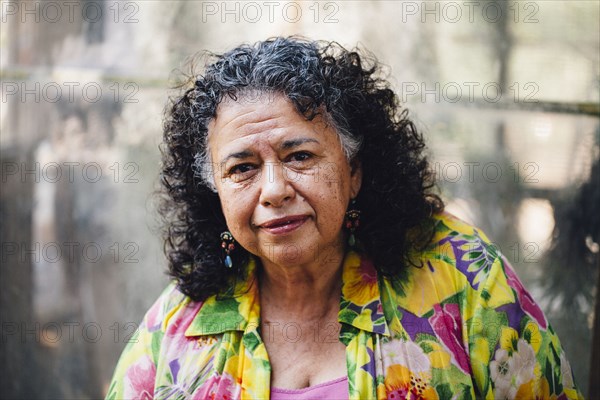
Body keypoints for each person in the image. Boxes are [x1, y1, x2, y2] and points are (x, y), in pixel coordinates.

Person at [106, 37, 582, 399]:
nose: (273, 191)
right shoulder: (182, 320)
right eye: (242, 168)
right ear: (215, 192)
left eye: (299, 156)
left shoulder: (464, 279)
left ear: (354, 171)